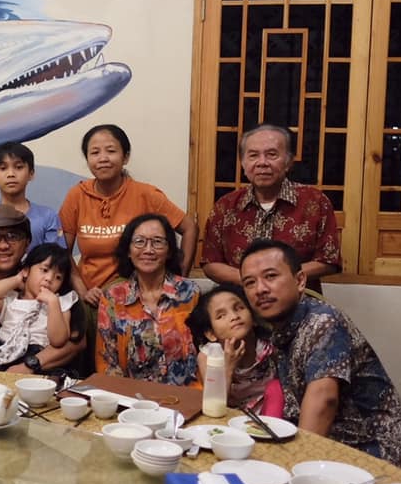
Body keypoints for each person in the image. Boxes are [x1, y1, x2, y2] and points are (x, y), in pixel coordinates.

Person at [239, 239, 401, 467]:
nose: (260, 289)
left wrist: (296, 466)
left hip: (371, 451)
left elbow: (324, 399)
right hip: (329, 444)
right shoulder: (280, 328)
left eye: (270, 276)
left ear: (300, 281)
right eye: (250, 283)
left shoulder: (322, 322)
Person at [59, 124, 198, 308]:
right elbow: (62, 251)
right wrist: (83, 291)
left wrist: (179, 279)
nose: (103, 158)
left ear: (125, 157)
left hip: (133, 297)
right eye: (95, 153)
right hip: (88, 295)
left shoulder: (146, 194)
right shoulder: (76, 195)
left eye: (111, 151)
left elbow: (189, 228)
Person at [202, 123, 341, 293]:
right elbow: (211, 263)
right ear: (243, 163)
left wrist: (281, 278)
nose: (262, 163)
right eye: (253, 155)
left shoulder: (315, 202)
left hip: (299, 302)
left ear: (289, 161)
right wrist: (251, 280)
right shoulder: (225, 206)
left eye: (272, 154)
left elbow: (328, 261)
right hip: (240, 303)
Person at [0, 205, 85, 373]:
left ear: (27, 243)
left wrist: (29, 365)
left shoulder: (55, 290)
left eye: (12, 236)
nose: (3, 245)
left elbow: (76, 342)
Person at [97, 214, 200, 386]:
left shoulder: (190, 293)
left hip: (186, 396)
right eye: (139, 241)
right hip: (132, 397)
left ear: (169, 251)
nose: (148, 250)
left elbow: (207, 353)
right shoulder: (113, 298)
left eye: (157, 242)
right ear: (128, 251)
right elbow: (107, 363)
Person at [0, 142, 65, 276]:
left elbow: (53, 265)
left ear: (31, 173)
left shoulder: (48, 216)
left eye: (18, 167)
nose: (11, 174)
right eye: (3, 168)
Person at [0, 243, 81, 370]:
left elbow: (58, 340)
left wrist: (53, 304)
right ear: (26, 270)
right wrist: (17, 279)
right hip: (3, 351)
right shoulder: (12, 300)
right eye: (44, 270)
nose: (49, 279)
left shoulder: (60, 303)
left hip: (36, 355)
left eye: (58, 277)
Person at [186, 284, 278, 411]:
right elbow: (214, 404)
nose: (234, 316)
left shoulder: (270, 347)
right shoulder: (209, 356)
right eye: (221, 316)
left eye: (239, 308)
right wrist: (228, 367)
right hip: (229, 416)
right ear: (211, 334)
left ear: (254, 318)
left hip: (270, 416)